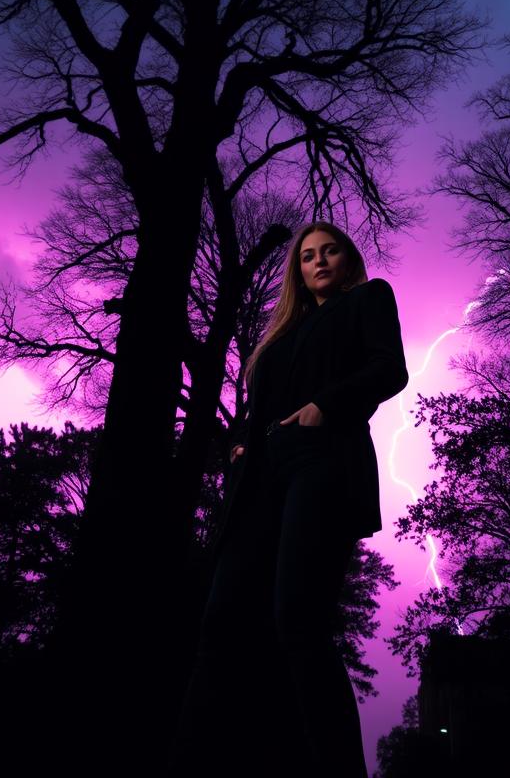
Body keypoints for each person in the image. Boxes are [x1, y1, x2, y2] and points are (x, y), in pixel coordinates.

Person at [167, 221, 410, 777]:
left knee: (297, 619)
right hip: (260, 475)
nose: (318, 262)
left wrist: (327, 404)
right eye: (307, 257)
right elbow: (260, 405)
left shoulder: (369, 298)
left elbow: (388, 369)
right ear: (297, 270)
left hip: (321, 462)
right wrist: (238, 445)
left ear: (348, 260)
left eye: (330, 252)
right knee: (220, 622)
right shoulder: (282, 332)